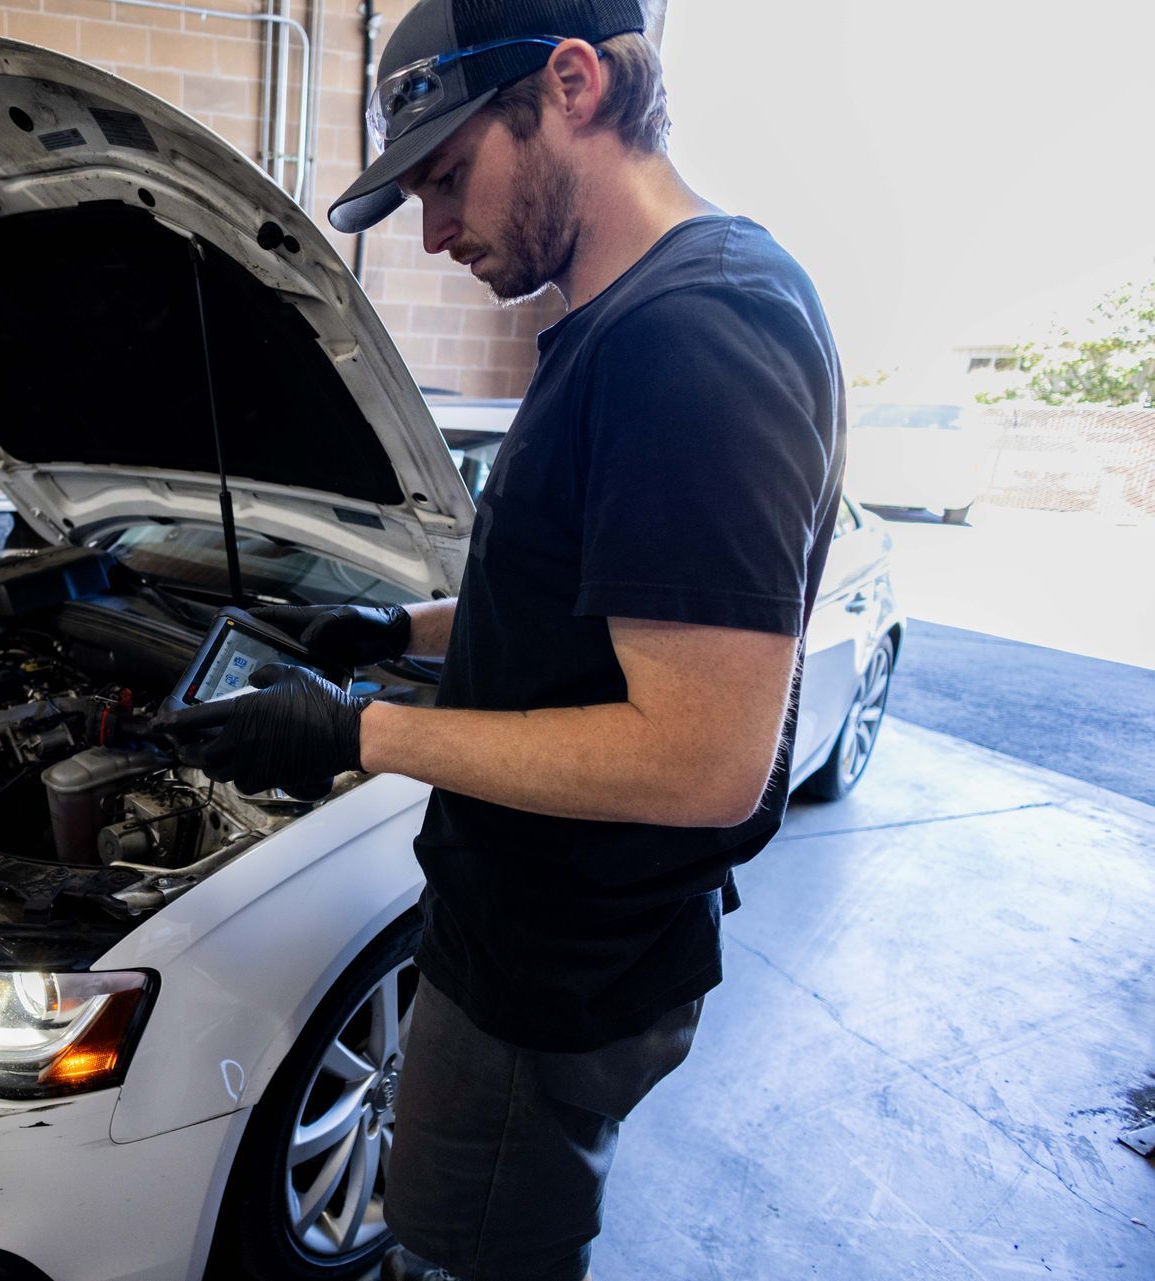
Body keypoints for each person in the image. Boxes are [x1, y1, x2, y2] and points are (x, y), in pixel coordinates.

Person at [154, 0, 846, 1277]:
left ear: (572, 83)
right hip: (518, 924)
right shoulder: (627, 321)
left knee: (462, 1254)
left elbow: (702, 757)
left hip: (552, 970)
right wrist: (389, 626)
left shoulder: (696, 339)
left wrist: (358, 732)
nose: (433, 232)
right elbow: (591, 605)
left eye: (449, 173)